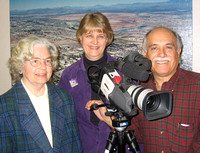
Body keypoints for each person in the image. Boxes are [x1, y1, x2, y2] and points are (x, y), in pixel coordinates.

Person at [0, 35, 82, 153]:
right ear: (20, 67)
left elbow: (75, 146)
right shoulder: (4, 107)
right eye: (35, 61)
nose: (43, 67)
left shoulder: (64, 98)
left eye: (47, 61)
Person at [128, 26, 200, 152]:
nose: (162, 54)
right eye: (154, 48)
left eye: (168, 47)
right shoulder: (139, 90)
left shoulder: (197, 86)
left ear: (178, 51)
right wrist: (110, 119)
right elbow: (138, 136)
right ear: (145, 54)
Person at [59, 12, 117, 153]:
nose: (95, 42)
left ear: (108, 38)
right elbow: (63, 121)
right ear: (80, 37)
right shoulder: (68, 76)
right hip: (84, 147)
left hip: (118, 146)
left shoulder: (122, 72)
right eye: (89, 35)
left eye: (100, 36)